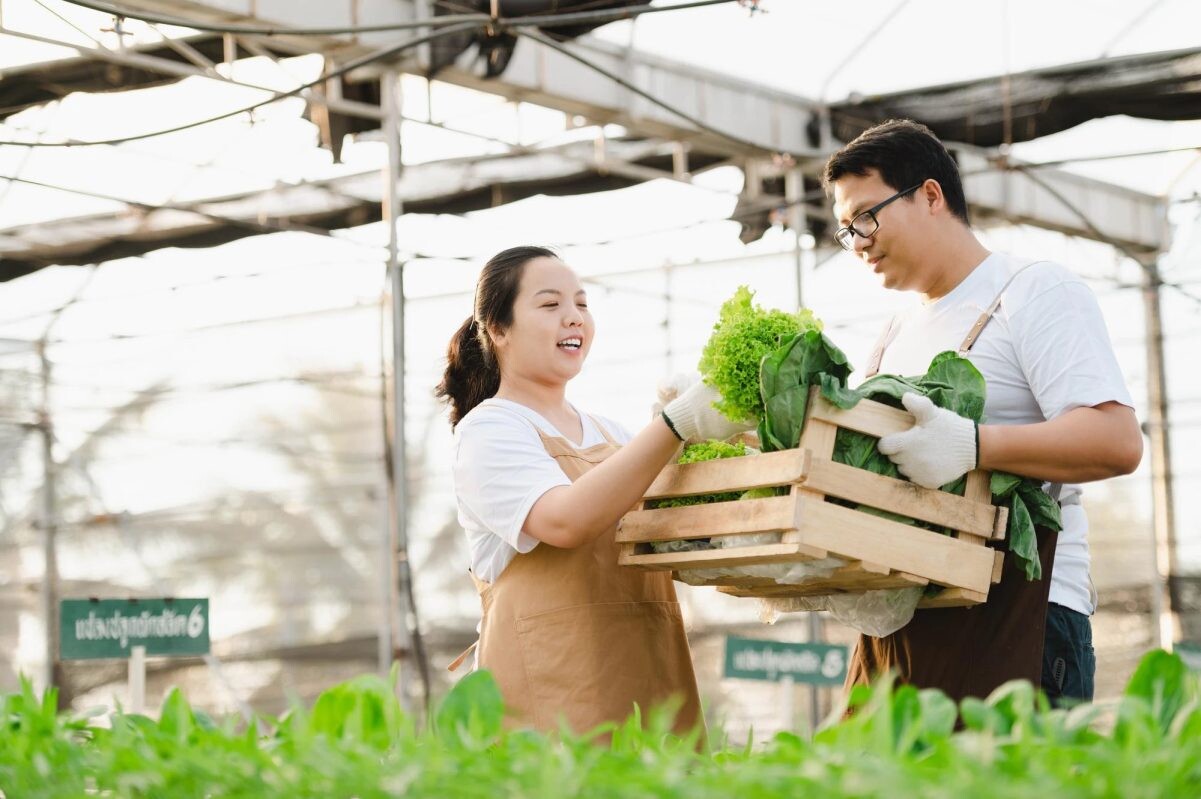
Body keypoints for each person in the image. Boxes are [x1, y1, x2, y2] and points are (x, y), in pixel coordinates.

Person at [822, 120, 1143, 705]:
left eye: (867, 216)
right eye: (847, 230)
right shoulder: (892, 336)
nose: (859, 240)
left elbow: (1116, 441)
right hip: (902, 623)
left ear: (930, 195)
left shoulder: (1031, 291)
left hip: (1023, 617)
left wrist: (973, 445)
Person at [437, 245, 749, 736]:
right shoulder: (489, 430)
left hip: (652, 678)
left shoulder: (614, 434)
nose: (573, 318)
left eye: (581, 304)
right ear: (497, 330)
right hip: (553, 696)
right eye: (549, 305)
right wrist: (675, 426)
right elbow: (564, 521)